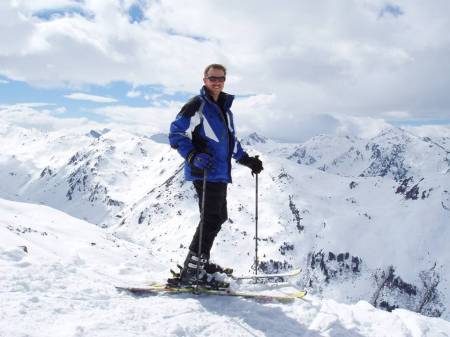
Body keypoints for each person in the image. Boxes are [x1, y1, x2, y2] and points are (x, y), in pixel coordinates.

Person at [168, 63, 263, 287]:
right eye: (212, 78)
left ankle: (200, 262)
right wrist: (192, 155)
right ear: (204, 79)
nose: (217, 82)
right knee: (210, 218)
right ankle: (193, 270)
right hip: (203, 171)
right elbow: (175, 133)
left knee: (217, 217)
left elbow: (230, 143)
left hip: (219, 173)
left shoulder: (225, 111)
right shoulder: (197, 105)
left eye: (221, 78)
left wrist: (247, 160)